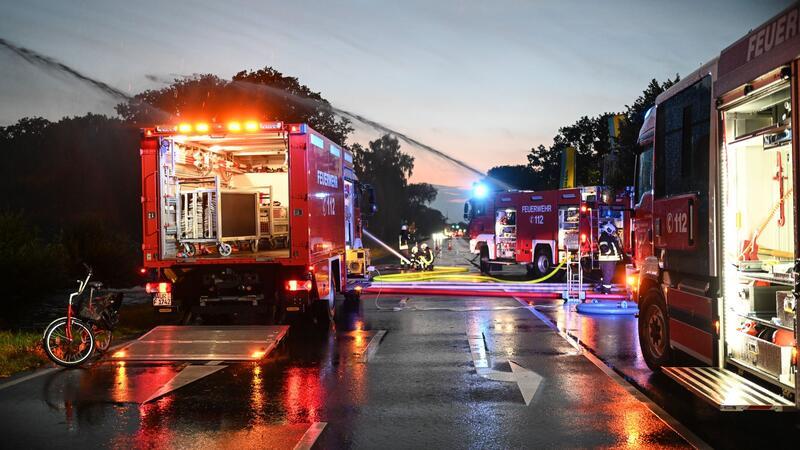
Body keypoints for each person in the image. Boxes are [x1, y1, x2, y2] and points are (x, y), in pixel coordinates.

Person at [597, 222, 622, 294]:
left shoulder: (609, 237)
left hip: (609, 260)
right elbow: (603, 247)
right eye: (613, 231)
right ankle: (606, 292)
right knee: (608, 276)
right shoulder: (604, 237)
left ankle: (604, 290)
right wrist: (609, 253)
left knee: (607, 276)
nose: (614, 233)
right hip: (608, 260)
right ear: (608, 229)